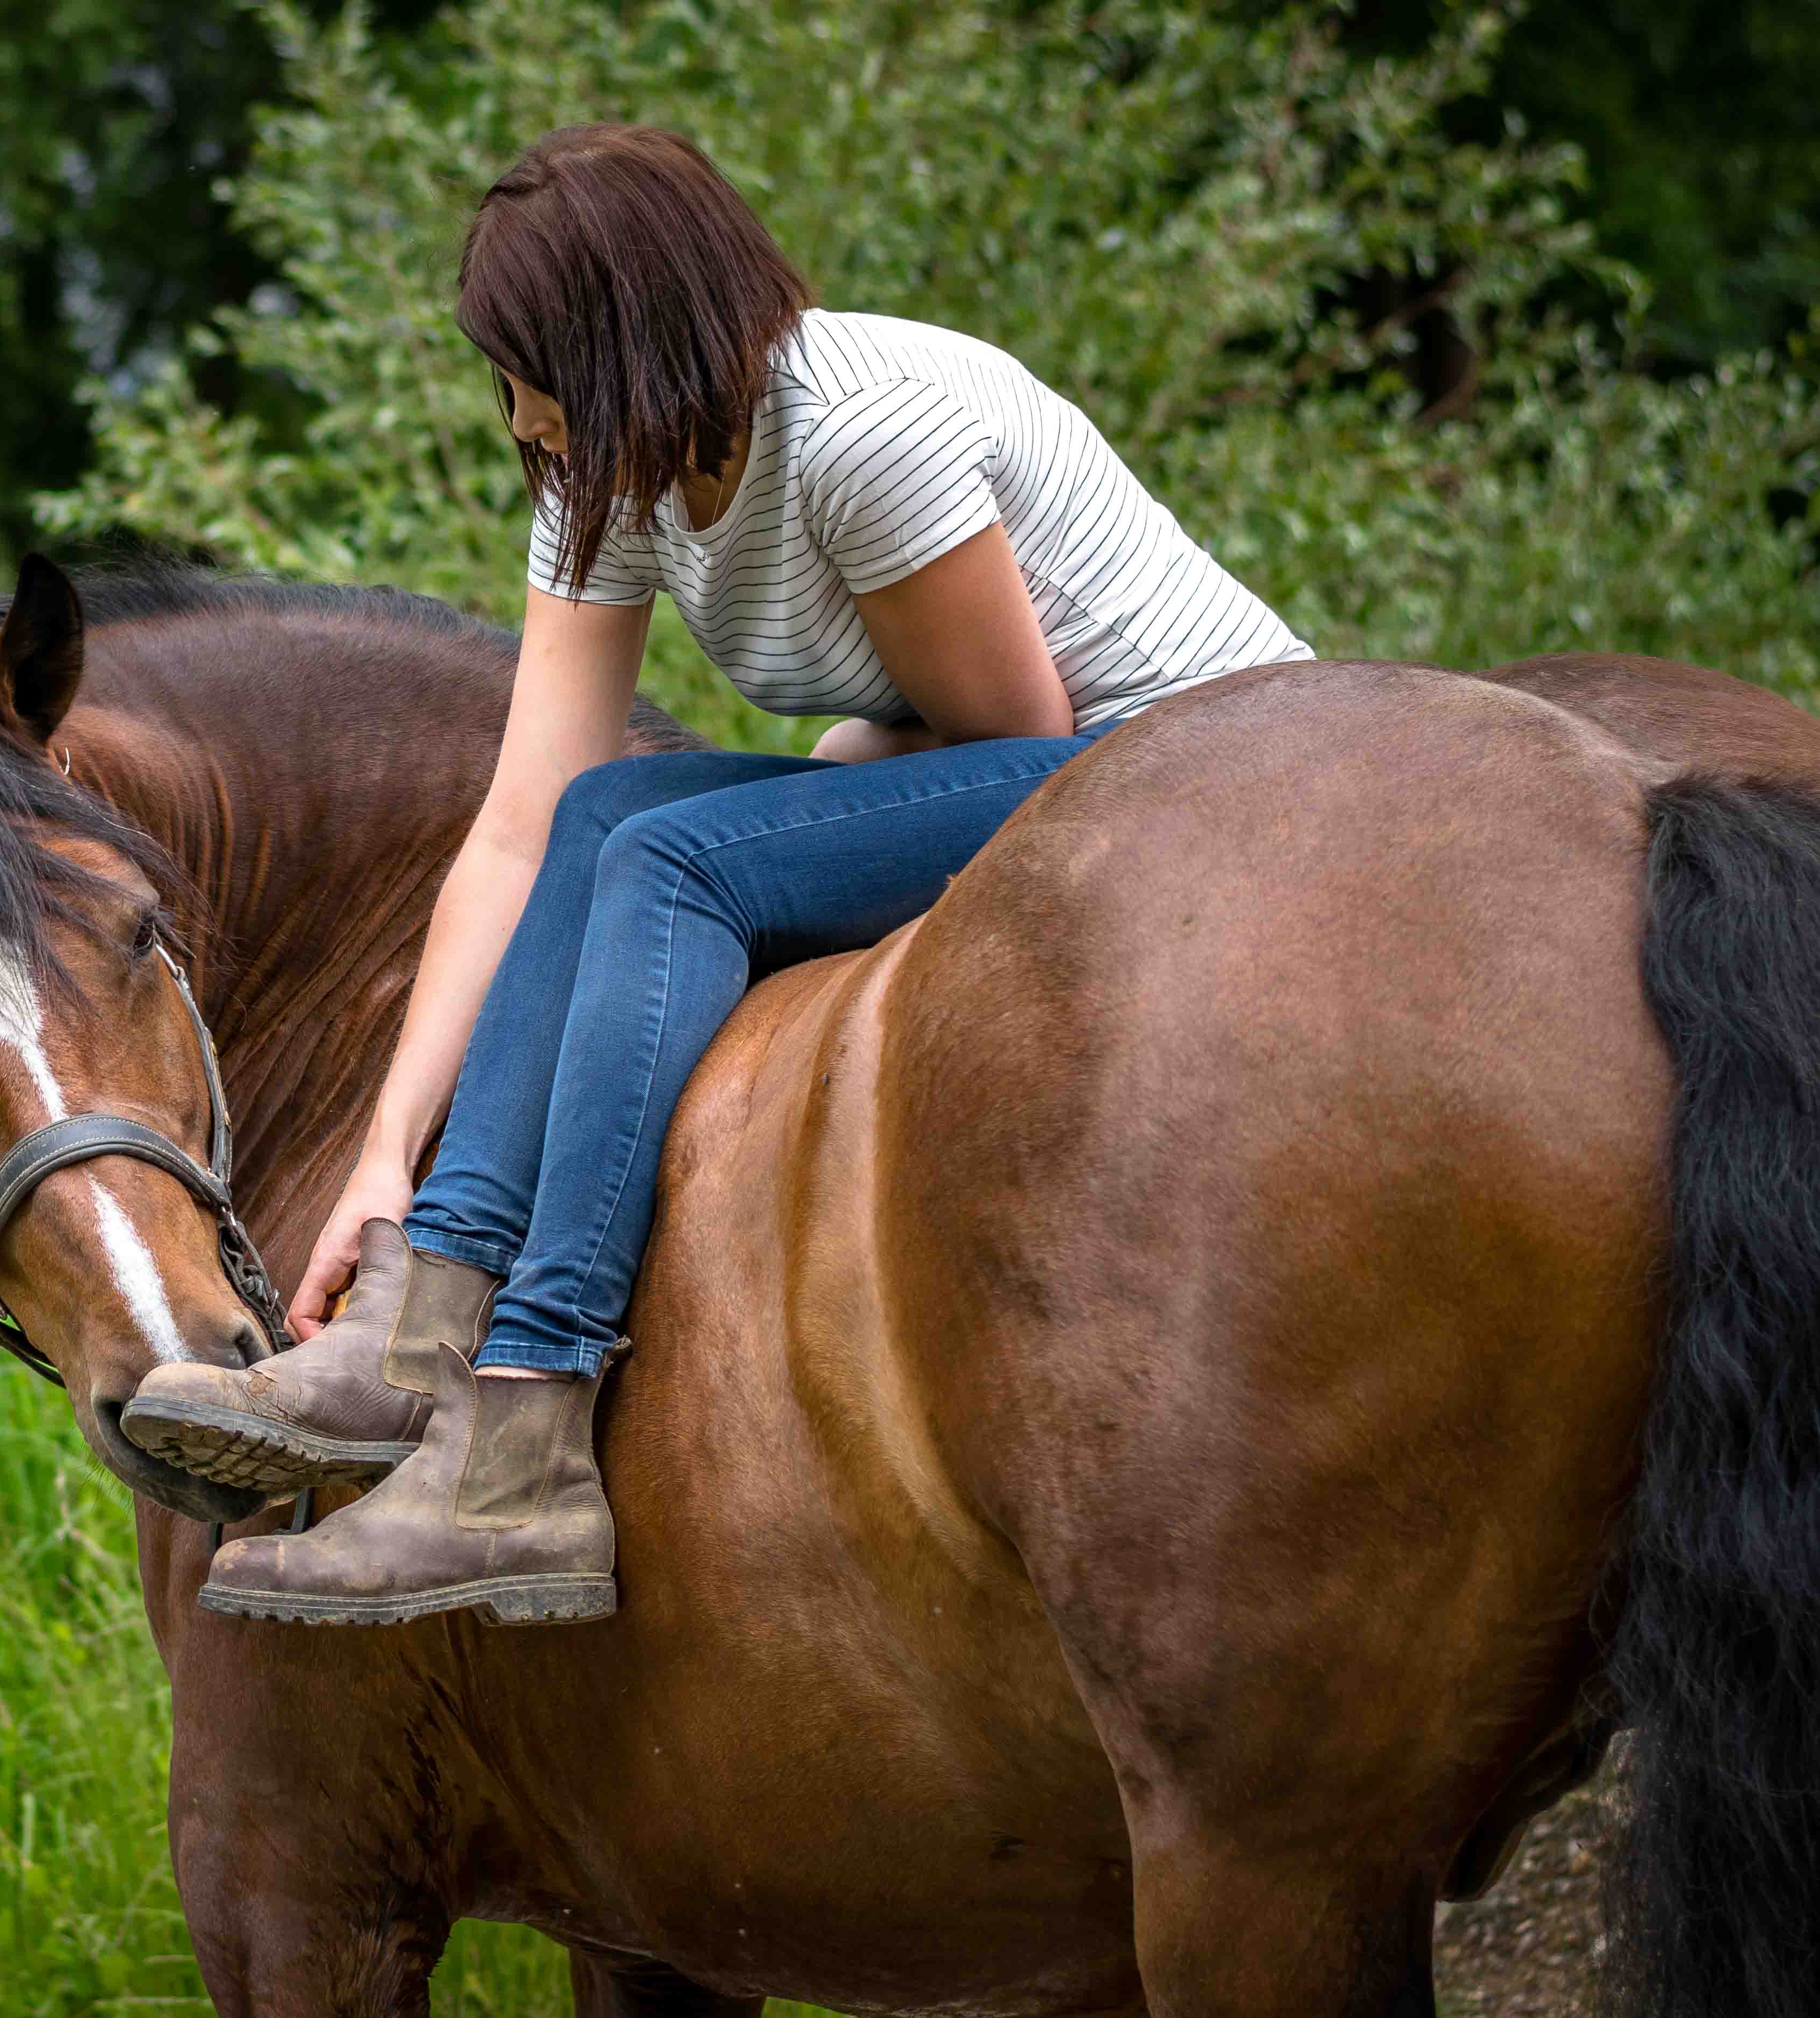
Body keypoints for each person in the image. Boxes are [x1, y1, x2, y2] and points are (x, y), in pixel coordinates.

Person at [119, 123, 1313, 1626]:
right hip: (1020, 753)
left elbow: (1021, 735)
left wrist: (817, 791)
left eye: (529, 369)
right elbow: (519, 818)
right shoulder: (610, 475)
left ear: (615, 343)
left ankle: (528, 1435)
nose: (518, 417)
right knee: (614, 812)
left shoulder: (865, 431)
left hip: (1188, 766)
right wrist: (383, 1153)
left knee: (678, 854)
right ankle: (415, 1332)